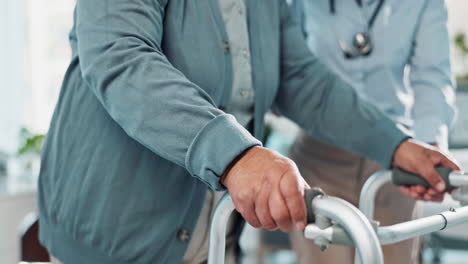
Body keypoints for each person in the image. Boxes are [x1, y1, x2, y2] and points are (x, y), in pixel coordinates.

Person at [38, 0, 459, 263]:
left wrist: (395, 143)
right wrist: (237, 155)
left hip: (208, 235)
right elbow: (120, 54)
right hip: (114, 233)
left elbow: (299, 78)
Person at [288, 0, 456, 263]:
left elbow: (431, 76)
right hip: (321, 158)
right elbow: (291, 66)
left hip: (396, 161)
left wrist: (430, 147)